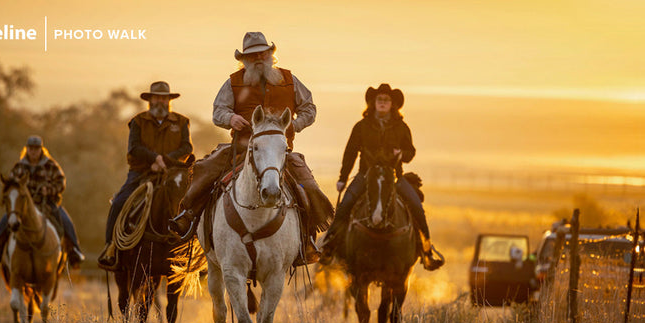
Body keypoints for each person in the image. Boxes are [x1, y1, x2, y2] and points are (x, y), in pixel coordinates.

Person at [169, 32, 332, 263]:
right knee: (204, 170)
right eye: (252, 55)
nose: (258, 58)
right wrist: (231, 118)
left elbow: (309, 108)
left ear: (270, 55)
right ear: (244, 59)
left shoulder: (290, 80)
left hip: (279, 153)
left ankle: (306, 240)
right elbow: (218, 111)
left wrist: (294, 125)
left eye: (262, 53)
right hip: (240, 150)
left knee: (309, 188)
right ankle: (188, 218)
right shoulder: (233, 82)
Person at [319, 83, 444, 270]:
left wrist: (401, 153)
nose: (383, 102)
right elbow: (350, 153)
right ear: (373, 102)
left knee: (417, 207)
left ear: (393, 104)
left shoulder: (402, 127)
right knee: (345, 206)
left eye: (387, 100)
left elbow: (411, 152)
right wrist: (343, 178)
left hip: (394, 177)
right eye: (380, 99)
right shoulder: (361, 127)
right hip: (366, 176)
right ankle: (329, 246)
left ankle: (426, 251)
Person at [97, 81, 193, 267]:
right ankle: (111, 247)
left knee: (194, 203)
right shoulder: (138, 121)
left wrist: (164, 160)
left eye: (164, 98)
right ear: (149, 100)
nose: (160, 101)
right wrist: (154, 159)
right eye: (156, 98)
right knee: (118, 202)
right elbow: (134, 148)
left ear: (169, 100)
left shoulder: (181, 122)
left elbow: (187, 147)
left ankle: (195, 251)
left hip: (172, 173)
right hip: (141, 173)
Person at [0, 135, 85, 268]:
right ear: (27, 149)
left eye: (36, 148)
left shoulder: (50, 165)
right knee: (6, 220)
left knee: (65, 220)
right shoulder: (19, 167)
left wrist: (49, 190)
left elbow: (61, 182)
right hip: (23, 205)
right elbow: (10, 184)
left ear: (41, 149)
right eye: (31, 148)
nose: (33, 151)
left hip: (46, 203)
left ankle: (75, 252)